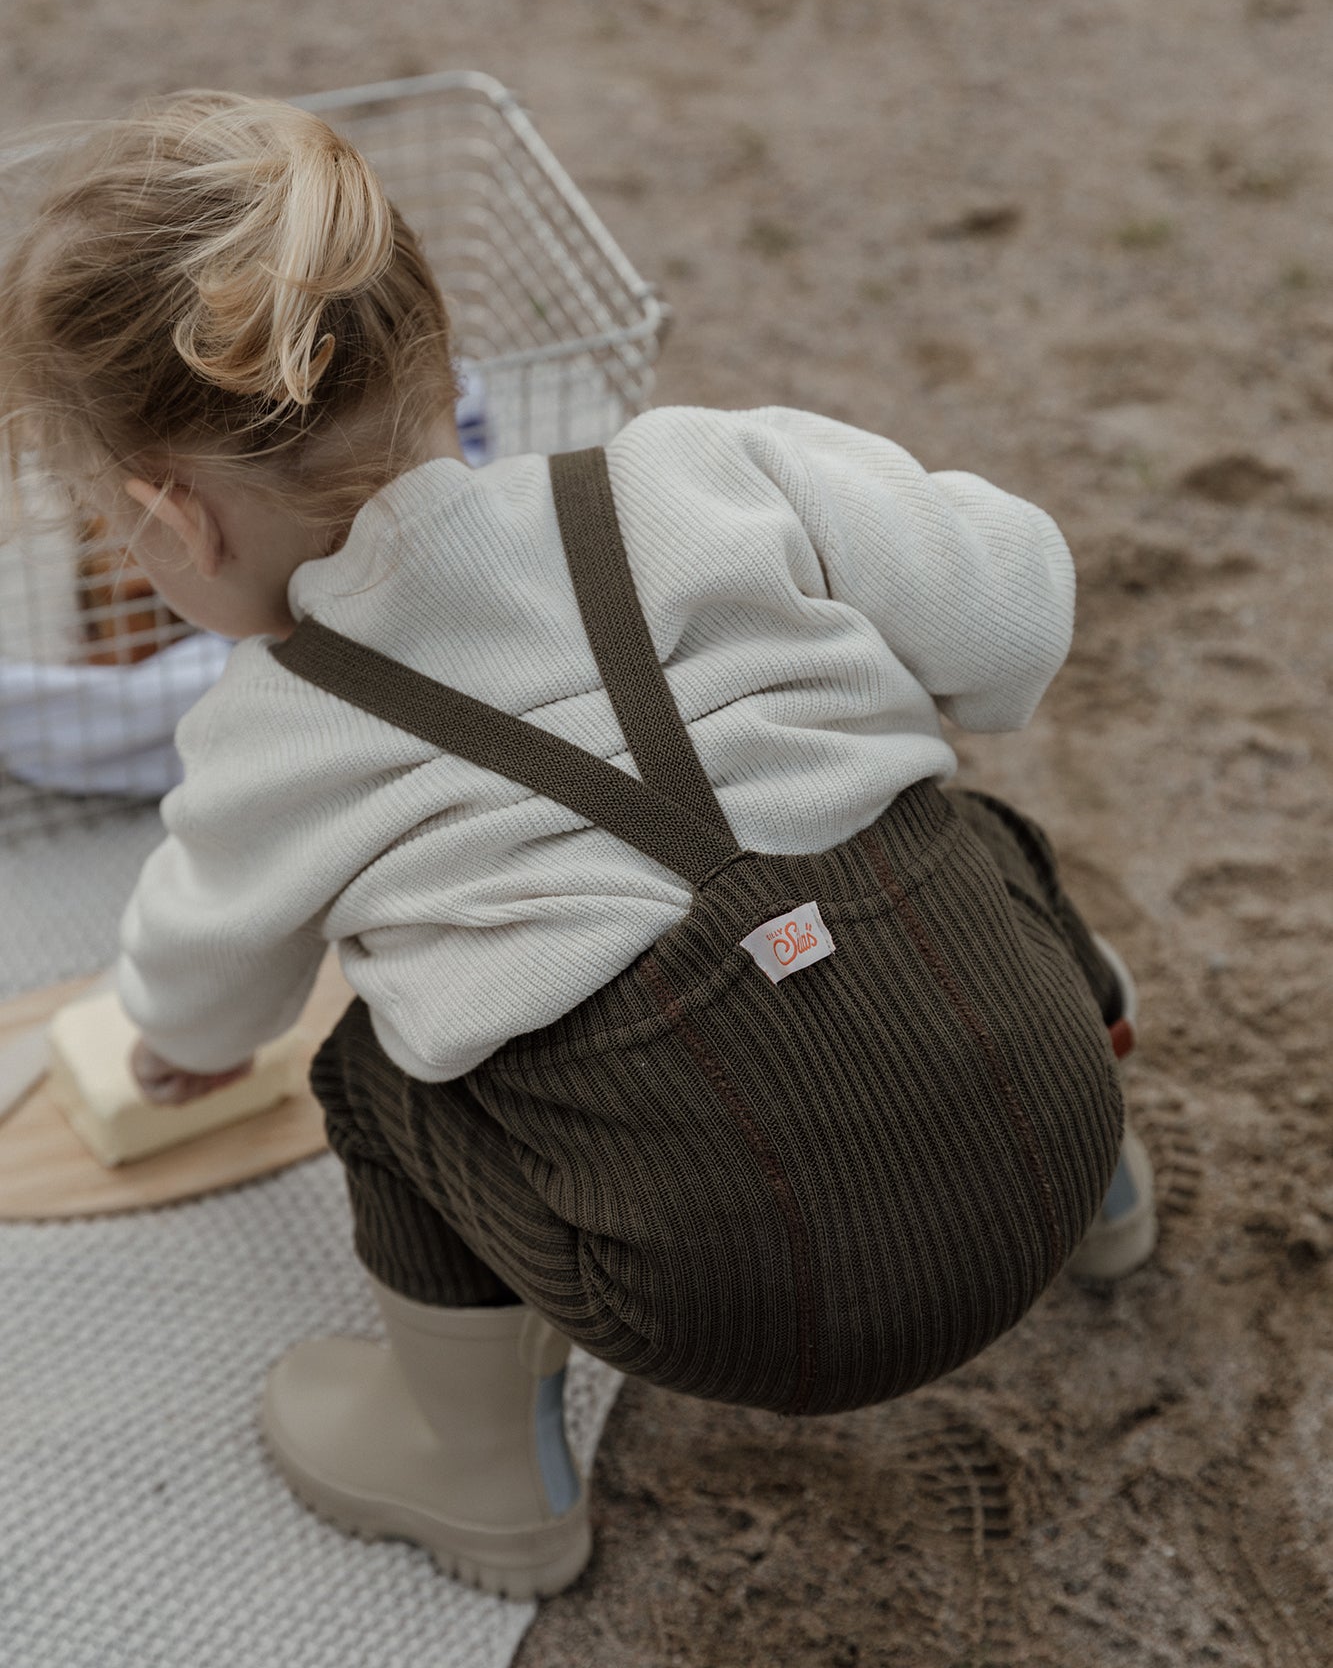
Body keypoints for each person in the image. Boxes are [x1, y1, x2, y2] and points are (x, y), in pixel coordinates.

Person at [0, 91, 1156, 1602]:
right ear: (443, 358)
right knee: (960, 833)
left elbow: (208, 971)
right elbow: (1010, 612)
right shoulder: (706, 468)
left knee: (372, 1069)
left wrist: (173, 1056)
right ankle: (1113, 1198)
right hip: (1041, 1110)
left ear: (174, 523)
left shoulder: (269, 734)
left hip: (744, 1312)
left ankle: (476, 1469)